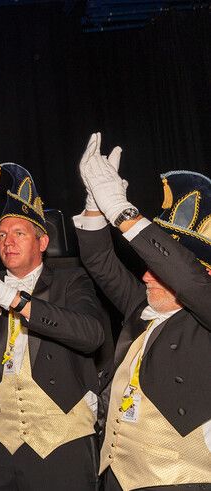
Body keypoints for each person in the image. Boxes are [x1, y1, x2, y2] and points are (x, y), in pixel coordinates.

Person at [0, 163, 107, 490]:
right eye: (2, 234)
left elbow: (91, 336)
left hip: (61, 442)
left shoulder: (71, 282)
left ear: (42, 242)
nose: (8, 241)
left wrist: (15, 299)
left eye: (19, 233)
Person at [74, 133, 211, 490]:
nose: (146, 275)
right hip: (117, 476)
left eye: (160, 269)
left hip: (183, 481)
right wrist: (95, 205)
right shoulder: (142, 305)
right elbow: (98, 259)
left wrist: (123, 211)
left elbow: (191, 281)